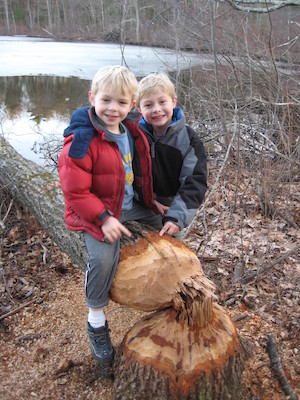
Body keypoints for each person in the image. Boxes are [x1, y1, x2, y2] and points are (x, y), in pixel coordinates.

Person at [57, 66, 162, 372]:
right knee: (104, 259)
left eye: (121, 102)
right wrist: (103, 218)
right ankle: (96, 321)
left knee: (166, 229)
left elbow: (136, 174)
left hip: (127, 206)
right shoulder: (82, 140)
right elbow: (74, 192)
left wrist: (151, 201)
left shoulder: (132, 131)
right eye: (106, 100)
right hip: (94, 211)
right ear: (92, 98)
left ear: (131, 106)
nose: (112, 108)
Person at [134, 72, 208, 238]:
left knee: (174, 252)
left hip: (171, 208)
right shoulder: (134, 135)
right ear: (138, 109)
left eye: (162, 102)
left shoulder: (189, 140)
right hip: (140, 204)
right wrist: (145, 198)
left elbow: (194, 182)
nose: (157, 109)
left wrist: (176, 218)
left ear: (173, 102)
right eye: (148, 105)